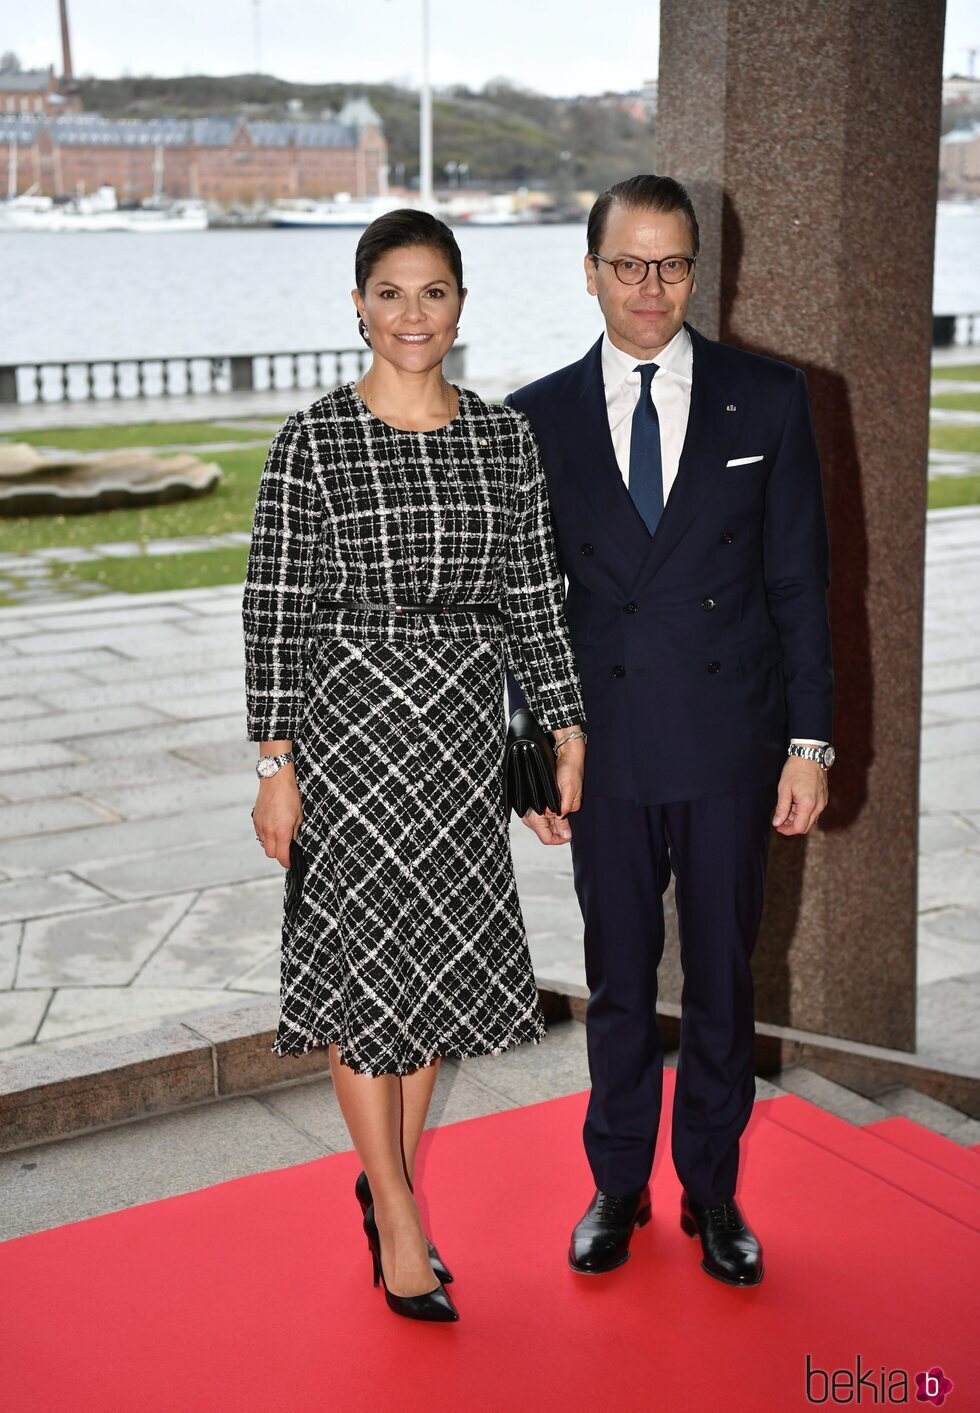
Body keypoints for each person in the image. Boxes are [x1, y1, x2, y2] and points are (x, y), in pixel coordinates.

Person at [242, 209, 586, 1324]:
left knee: (429, 974)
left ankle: (382, 1184)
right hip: (345, 740)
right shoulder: (312, 441)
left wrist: (562, 727)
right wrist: (273, 760)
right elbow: (275, 608)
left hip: (453, 741)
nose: (410, 315)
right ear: (356, 303)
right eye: (388, 292)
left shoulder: (500, 439)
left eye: (432, 292)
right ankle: (395, 1207)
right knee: (361, 973)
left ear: (459, 304)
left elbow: (532, 593)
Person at [507, 174, 833, 1286]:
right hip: (600, 746)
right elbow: (522, 602)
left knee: (724, 982)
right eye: (627, 264)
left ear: (698, 268)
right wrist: (529, 758)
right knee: (613, 976)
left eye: (673, 264)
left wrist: (810, 743)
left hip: (732, 740)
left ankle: (711, 1190)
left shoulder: (770, 396)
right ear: (589, 270)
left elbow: (800, 584)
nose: (651, 289)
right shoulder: (536, 415)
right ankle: (614, 1184)